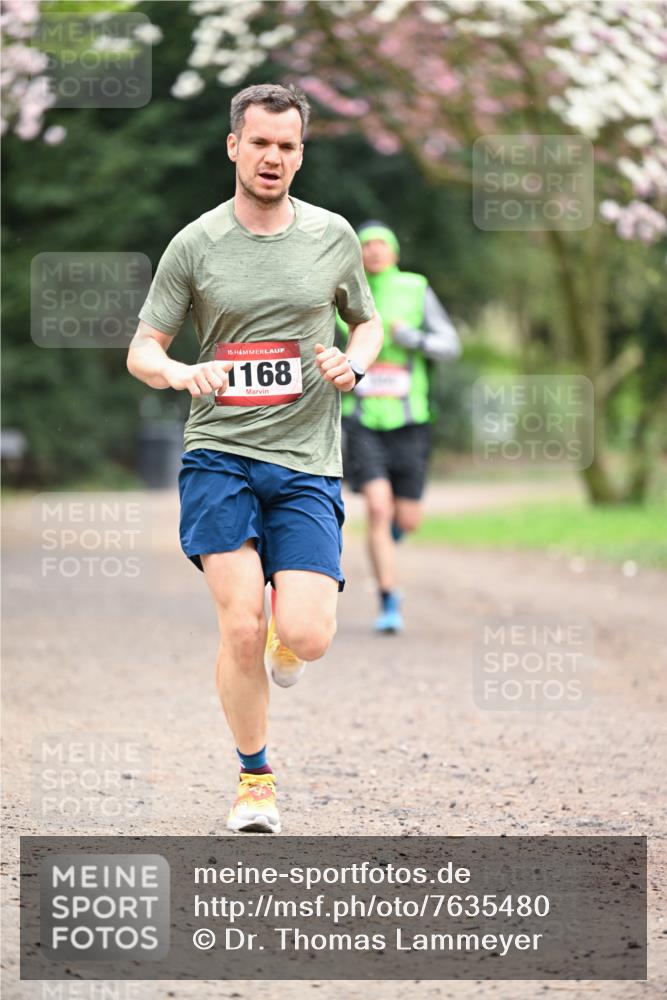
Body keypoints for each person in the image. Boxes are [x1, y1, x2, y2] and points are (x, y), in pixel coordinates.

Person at [126, 84, 382, 834]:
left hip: (306, 459)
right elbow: (144, 349)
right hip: (220, 454)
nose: (273, 157)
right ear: (234, 146)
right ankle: (255, 780)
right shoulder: (195, 243)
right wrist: (179, 372)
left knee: (307, 636)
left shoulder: (332, 235)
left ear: (301, 154)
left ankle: (285, 636)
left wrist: (353, 363)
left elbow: (366, 323)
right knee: (240, 625)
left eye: (287, 145)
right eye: (260, 142)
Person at [340, 221, 461, 634]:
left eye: (381, 244)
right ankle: (388, 599)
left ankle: (392, 534)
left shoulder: (415, 288)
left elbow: (451, 345)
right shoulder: (344, 291)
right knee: (377, 507)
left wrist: (413, 339)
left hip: (410, 420)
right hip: (361, 418)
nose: (374, 251)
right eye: (366, 245)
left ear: (394, 251)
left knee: (406, 520)